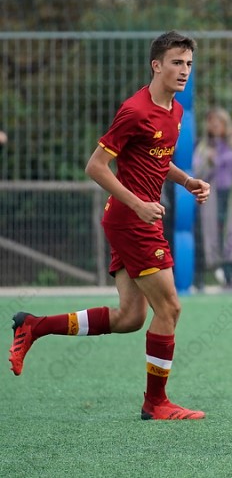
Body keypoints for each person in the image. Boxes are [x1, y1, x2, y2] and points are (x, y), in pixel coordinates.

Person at [8, 30, 209, 420]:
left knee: (130, 318)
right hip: (132, 220)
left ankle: (34, 326)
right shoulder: (135, 110)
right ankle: (156, 403)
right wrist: (137, 204)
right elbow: (95, 166)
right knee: (170, 307)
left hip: (132, 218)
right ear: (156, 65)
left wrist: (187, 181)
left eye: (188, 63)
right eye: (176, 63)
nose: (184, 70)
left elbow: (156, 159)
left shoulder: (175, 110)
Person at [193, 107, 232, 290]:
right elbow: (197, 170)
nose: (215, 126)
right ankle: (227, 277)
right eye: (212, 122)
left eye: (219, 122)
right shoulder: (204, 146)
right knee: (217, 235)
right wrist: (209, 160)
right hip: (215, 197)